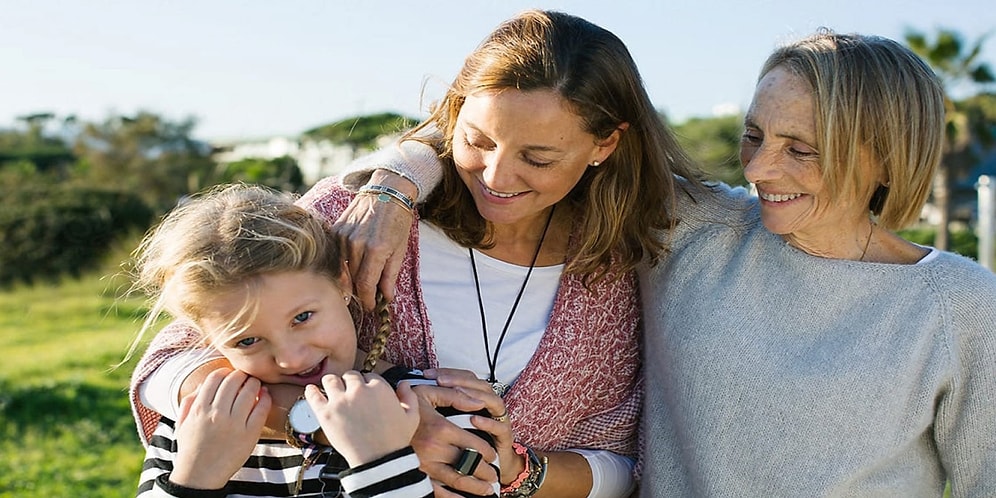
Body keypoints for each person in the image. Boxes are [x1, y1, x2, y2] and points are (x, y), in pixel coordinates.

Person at [334, 30, 996, 496]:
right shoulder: (692, 228)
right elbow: (511, 129)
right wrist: (397, 183)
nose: (761, 169)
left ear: (888, 153)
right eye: (754, 136)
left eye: (801, 149)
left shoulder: (958, 304)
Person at [129, 9, 706, 498]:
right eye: (476, 141)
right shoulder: (357, 216)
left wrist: (518, 472)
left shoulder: (615, 266)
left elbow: (622, 460)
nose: (496, 176)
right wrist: (348, 430)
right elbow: (173, 360)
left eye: (539, 157)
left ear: (605, 144)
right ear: (453, 115)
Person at [127, 183, 432, 497]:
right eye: (247, 341)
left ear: (343, 282)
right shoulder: (199, 423)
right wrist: (195, 478)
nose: (291, 359)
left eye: (302, 318)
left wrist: (382, 465)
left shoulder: (428, 410)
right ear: (207, 339)